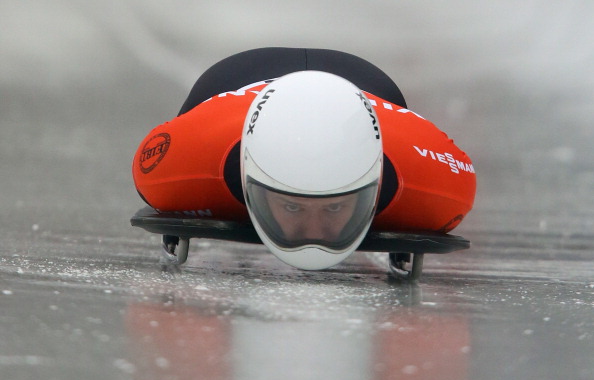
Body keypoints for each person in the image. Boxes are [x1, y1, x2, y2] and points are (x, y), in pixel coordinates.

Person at [132, 48, 476, 270]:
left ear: (374, 184)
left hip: (372, 94)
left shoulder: (433, 185)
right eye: (293, 207)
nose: (314, 232)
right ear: (250, 179)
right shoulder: (180, 167)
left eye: (335, 207)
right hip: (230, 88)